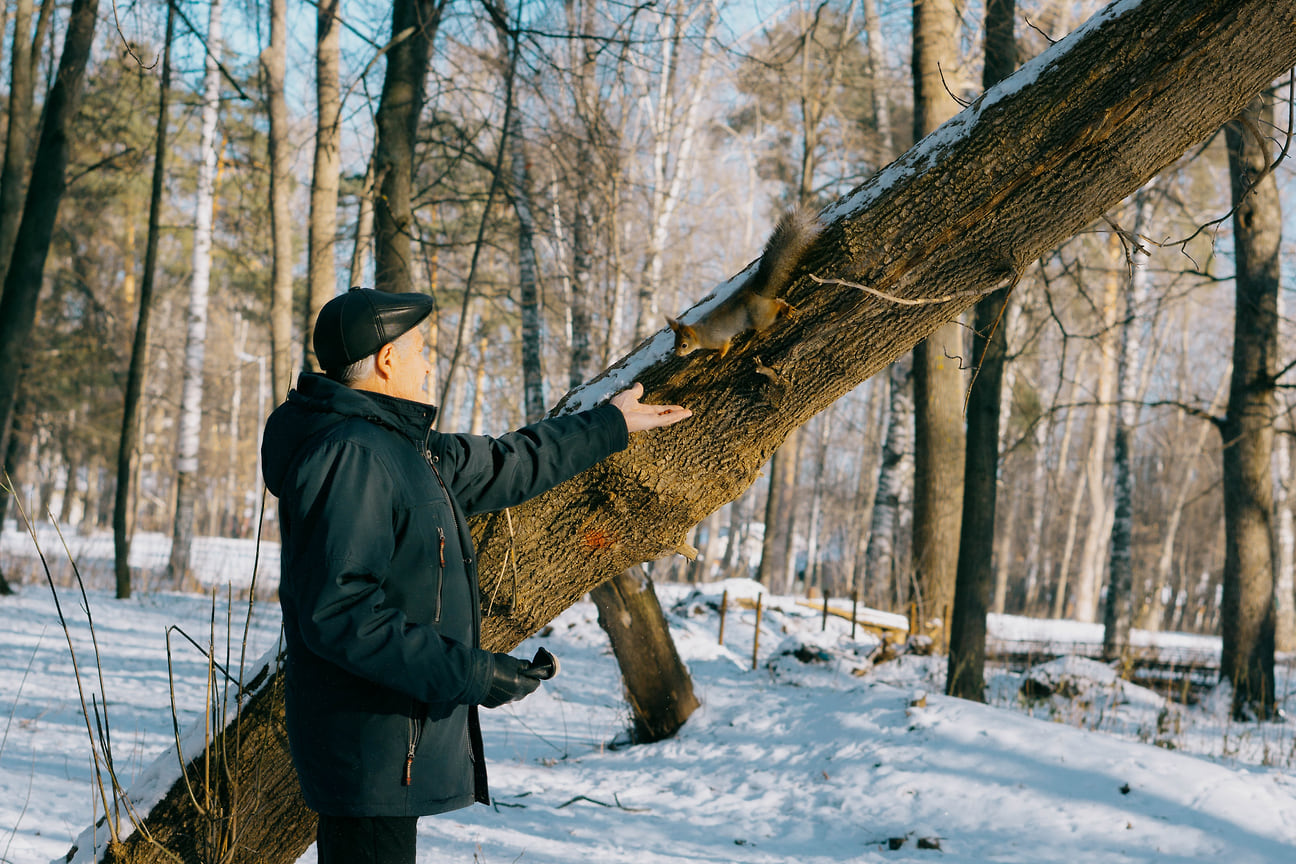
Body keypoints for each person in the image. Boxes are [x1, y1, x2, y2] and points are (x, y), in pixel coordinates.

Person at [260, 287, 691, 862]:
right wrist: (471, 674)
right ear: (387, 359)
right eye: (420, 347)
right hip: (371, 749)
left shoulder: (400, 449)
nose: (429, 360)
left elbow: (508, 461)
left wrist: (610, 424)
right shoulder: (352, 455)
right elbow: (341, 614)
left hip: (386, 747)